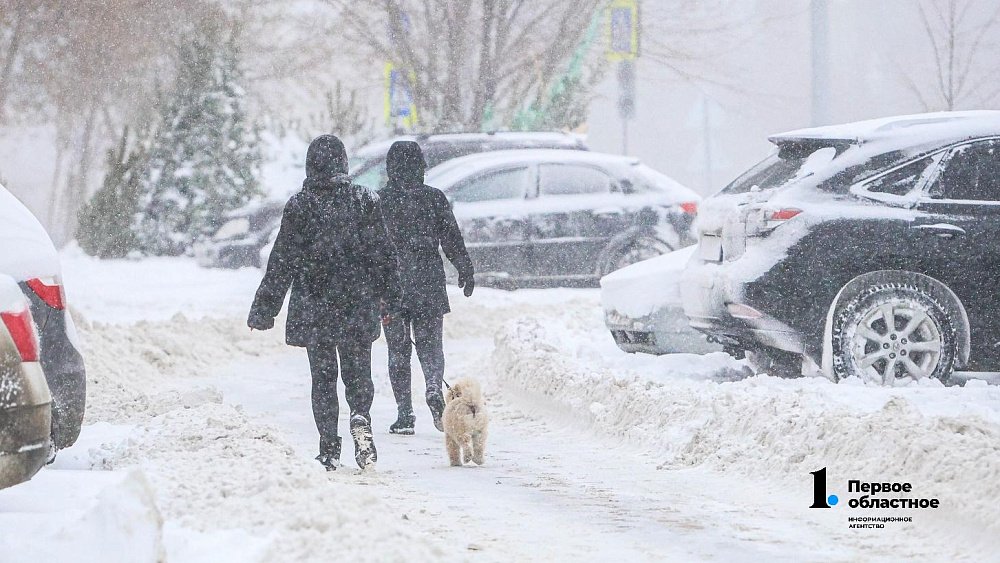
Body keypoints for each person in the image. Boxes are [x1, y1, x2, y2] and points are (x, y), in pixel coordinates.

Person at [247, 134, 400, 471]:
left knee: (323, 379)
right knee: (358, 374)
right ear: (343, 165)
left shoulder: (300, 205)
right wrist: (391, 296)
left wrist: (265, 308)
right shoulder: (364, 200)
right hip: (357, 302)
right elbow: (383, 254)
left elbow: (282, 260)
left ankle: (328, 447)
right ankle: (361, 416)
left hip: (315, 305)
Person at [378, 141, 475, 435]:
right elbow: (451, 239)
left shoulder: (379, 200)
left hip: (392, 283)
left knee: (398, 350)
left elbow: (369, 246)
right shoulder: (434, 199)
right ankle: (433, 386)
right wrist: (465, 268)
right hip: (428, 280)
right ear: (422, 167)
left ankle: (405, 414)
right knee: (431, 345)